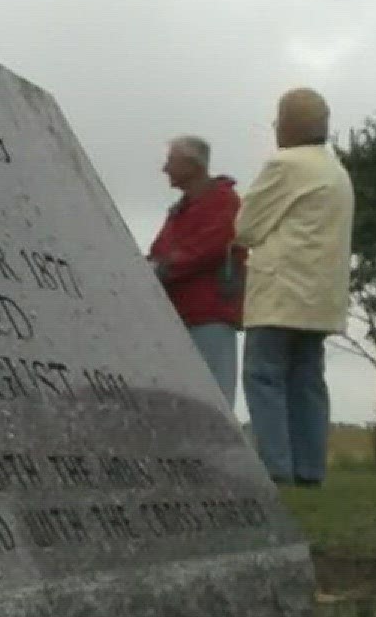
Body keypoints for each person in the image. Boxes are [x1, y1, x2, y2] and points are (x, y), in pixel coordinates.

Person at [237, 88, 355, 488]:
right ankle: (309, 469)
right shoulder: (337, 172)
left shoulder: (285, 165)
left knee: (263, 375)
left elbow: (246, 227)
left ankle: (275, 468)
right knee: (307, 380)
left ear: (287, 124)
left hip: (280, 291)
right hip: (321, 295)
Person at [147, 136, 244, 405]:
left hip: (209, 315)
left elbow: (206, 249)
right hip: (182, 316)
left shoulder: (224, 202)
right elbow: (162, 250)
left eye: (170, 161)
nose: (165, 169)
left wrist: (158, 268)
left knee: (214, 398)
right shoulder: (183, 209)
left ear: (191, 164)